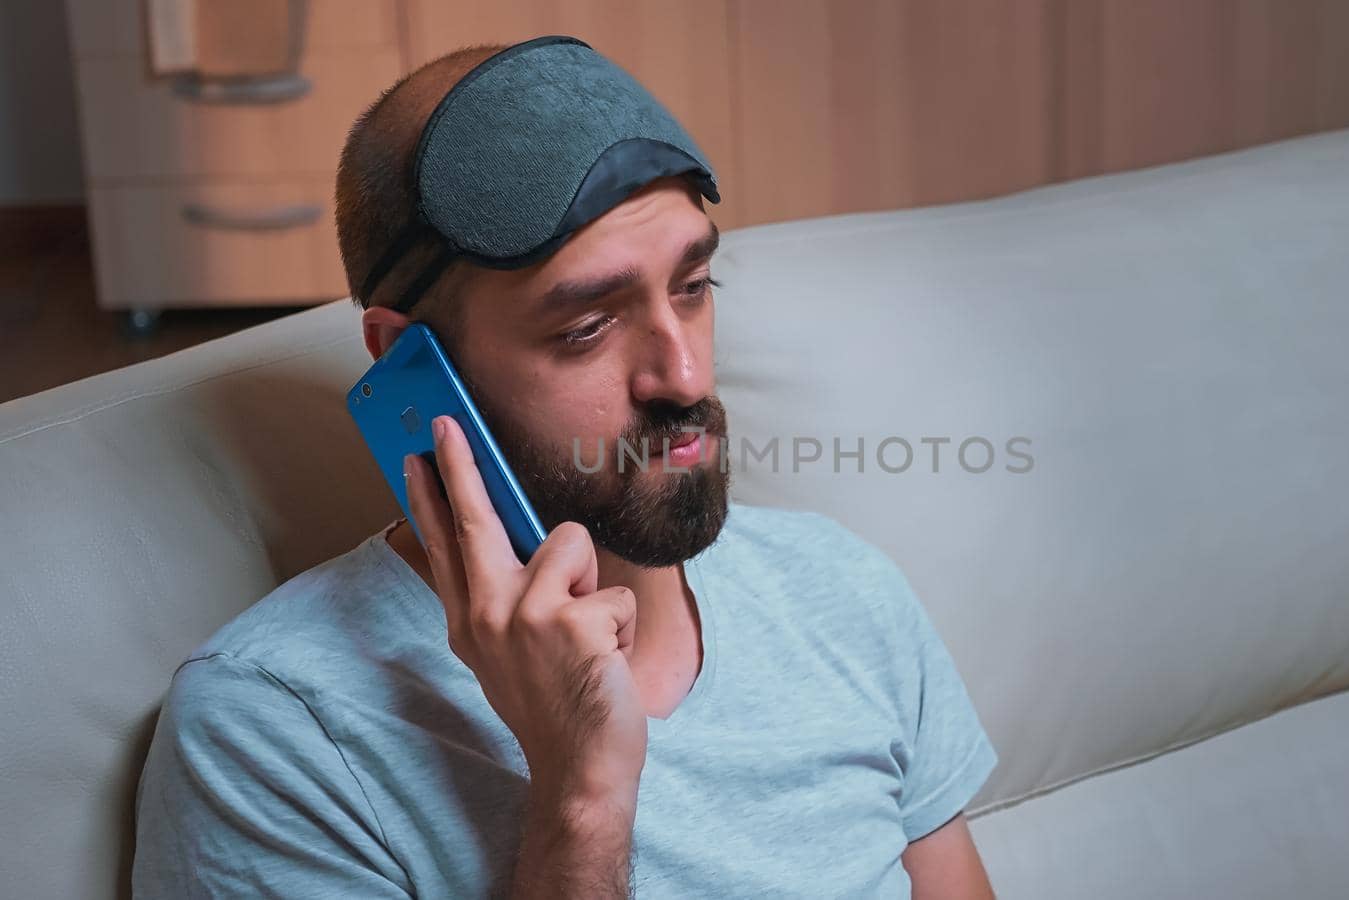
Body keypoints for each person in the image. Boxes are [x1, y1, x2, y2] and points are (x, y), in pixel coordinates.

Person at [132, 36, 998, 899]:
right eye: (588, 328)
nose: (685, 376)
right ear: (409, 363)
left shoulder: (843, 592)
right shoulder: (276, 732)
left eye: (694, 287)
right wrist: (581, 796)